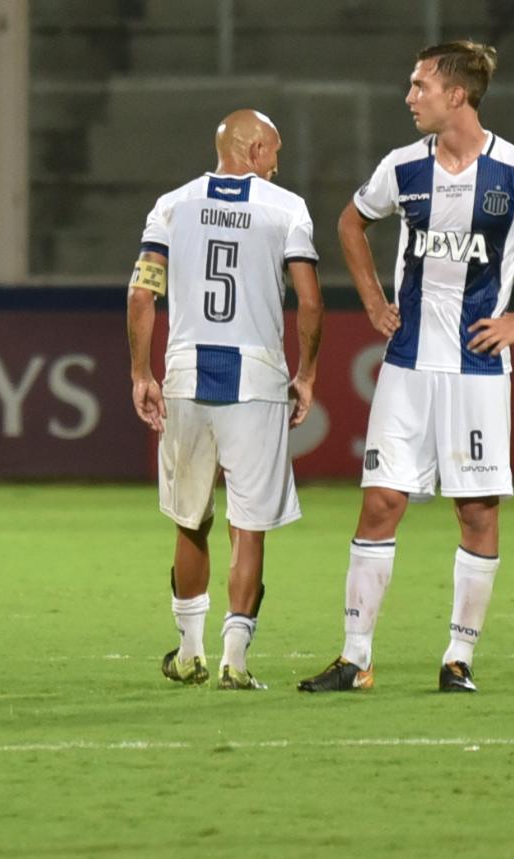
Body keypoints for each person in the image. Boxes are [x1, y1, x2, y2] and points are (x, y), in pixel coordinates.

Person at [298, 40, 514, 694]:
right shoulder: (402, 167)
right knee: (381, 502)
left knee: (476, 510)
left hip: (476, 370)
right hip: (407, 369)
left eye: (420, 86)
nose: (410, 97)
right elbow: (351, 223)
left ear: (456, 95)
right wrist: (375, 299)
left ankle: (458, 657)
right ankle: (355, 659)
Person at [126, 109, 324, 691]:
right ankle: (235, 660)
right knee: (249, 526)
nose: (278, 162)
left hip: (186, 376)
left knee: (192, 521)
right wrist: (307, 372)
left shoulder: (172, 204)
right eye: (275, 150)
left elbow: (143, 293)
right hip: (258, 380)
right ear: (255, 147)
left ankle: (190, 653)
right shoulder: (286, 207)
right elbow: (309, 302)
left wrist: (141, 372)